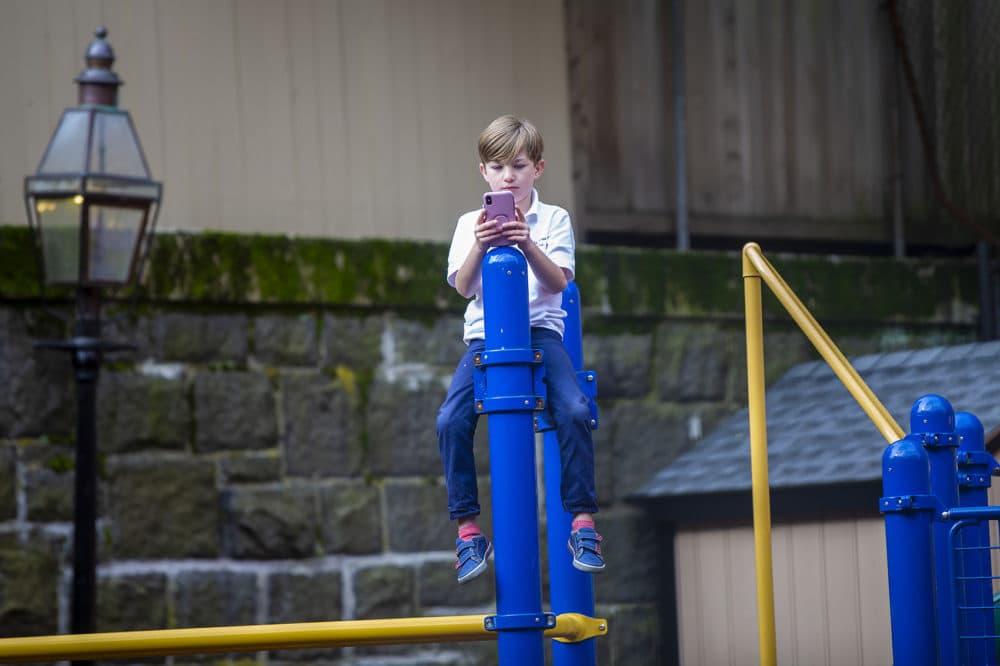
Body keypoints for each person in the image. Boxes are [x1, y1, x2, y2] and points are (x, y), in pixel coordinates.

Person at [437, 114, 604, 584]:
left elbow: (559, 282)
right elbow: (464, 288)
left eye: (518, 165)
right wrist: (480, 245)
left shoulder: (554, 220)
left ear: (539, 168)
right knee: (450, 419)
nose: (508, 176)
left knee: (573, 408)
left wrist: (527, 244)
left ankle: (582, 522)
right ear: (483, 172)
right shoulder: (469, 223)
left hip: (540, 335)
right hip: (485, 340)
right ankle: (468, 530)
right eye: (497, 167)